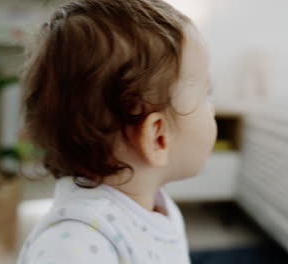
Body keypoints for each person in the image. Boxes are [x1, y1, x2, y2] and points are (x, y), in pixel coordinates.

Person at [18, 0, 217, 263]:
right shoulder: (76, 245)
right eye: (206, 94)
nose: (213, 110)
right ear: (157, 137)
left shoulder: (154, 205)